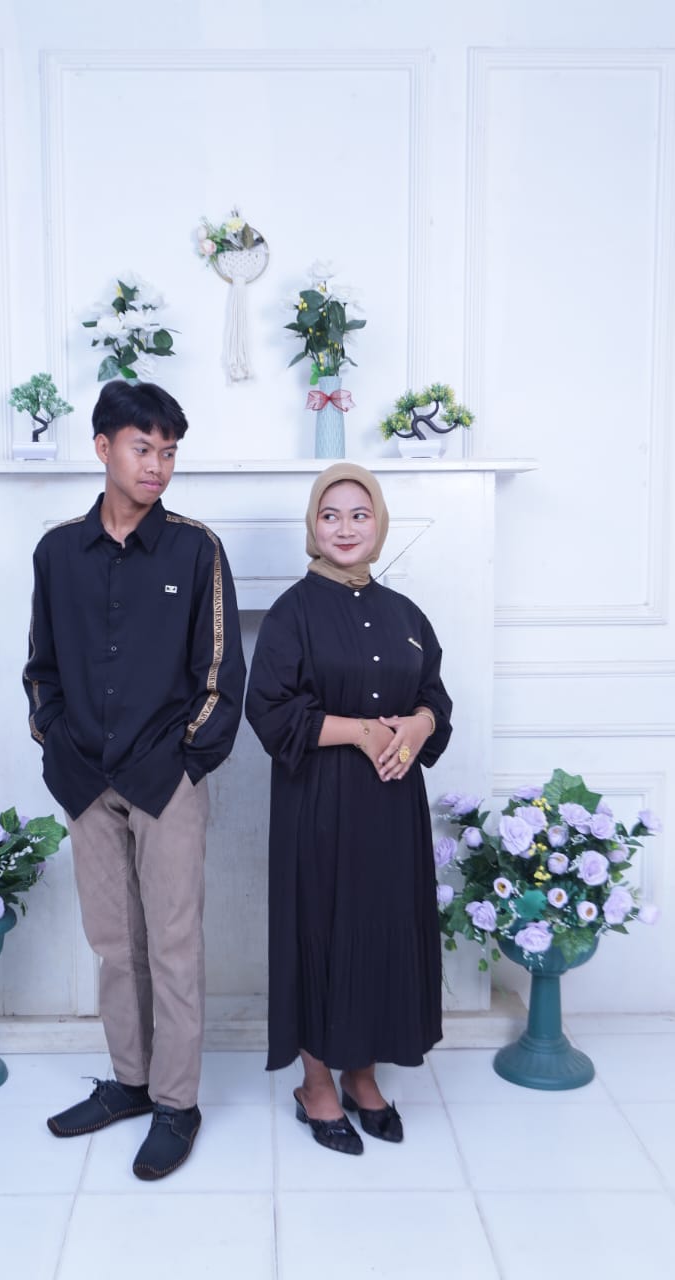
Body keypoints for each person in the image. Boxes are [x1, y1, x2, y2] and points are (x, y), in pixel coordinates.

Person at [23, 380, 246, 1180]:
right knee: (115, 946)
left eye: (169, 452)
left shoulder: (195, 549)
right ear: (103, 448)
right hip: (84, 779)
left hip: (165, 777)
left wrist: (184, 761)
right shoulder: (57, 552)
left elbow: (220, 674)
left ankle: (177, 1104)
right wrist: (55, 744)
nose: (157, 465)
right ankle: (130, 1082)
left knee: (174, 946)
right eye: (142, 448)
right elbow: (41, 669)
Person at [245, 462, 452, 1155]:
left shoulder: (405, 614)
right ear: (313, 525)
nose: (344, 528)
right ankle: (315, 1085)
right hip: (319, 805)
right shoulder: (292, 613)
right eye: (329, 515)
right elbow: (269, 710)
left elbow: (434, 695)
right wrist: (361, 732)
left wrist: (420, 723)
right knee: (320, 933)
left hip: (393, 808)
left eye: (358, 514)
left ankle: (362, 1075)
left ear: (378, 524)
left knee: (381, 932)